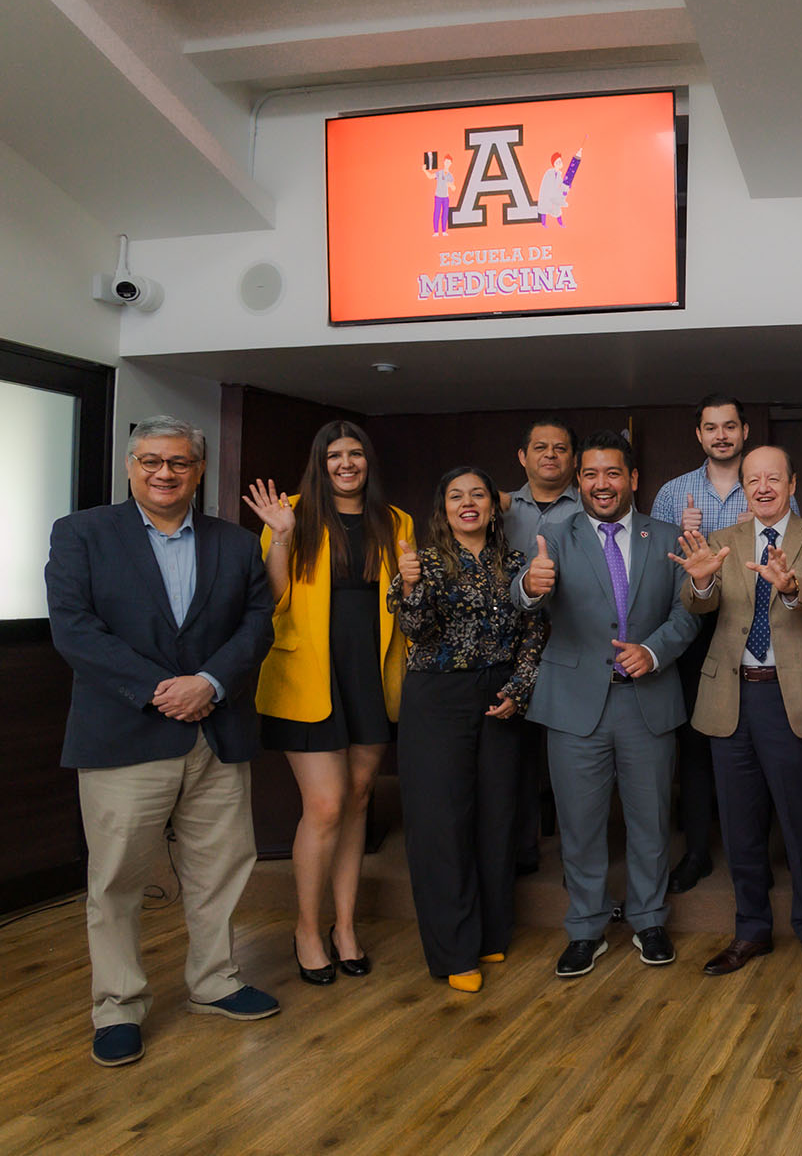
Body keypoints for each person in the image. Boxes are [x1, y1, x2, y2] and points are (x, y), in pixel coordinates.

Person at [47, 416, 277, 1067]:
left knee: (221, 867)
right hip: (123, 736)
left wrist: (208, 682)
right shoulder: (82, 534)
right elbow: (75, 630)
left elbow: (258, 624)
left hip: (216, 731)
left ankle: (214, 982)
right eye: (151, 461)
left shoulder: (235, 544)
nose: (164, 473)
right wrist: (159, 689)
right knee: (117, 880)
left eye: (178, 462)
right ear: (130, 466)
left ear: (198, 472)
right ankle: (117, 1004)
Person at [514, 429, 700, 976]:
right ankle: (586, 928)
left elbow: (687, 612)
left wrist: (652, 650)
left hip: (647, 701)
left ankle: (649, 920)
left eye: (613, 472)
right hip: (575, 707)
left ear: (633, 479)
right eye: (591, 474)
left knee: (650, 820)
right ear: (579, 480)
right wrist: (529, 584)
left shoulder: (665, 536)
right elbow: (521, 602)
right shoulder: (554, 535)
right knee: (581, 824)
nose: (602, 484)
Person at [244, 420, 413, 986]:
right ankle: (306, 930)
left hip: (370, 674)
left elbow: (405, 603)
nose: (346, 464)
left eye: (356, 454)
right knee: (325, 805)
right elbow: (270, 599)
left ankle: (344, 927)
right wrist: (283, 536)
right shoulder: (289, 513)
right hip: (305, 677)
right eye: (335, 455)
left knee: (360, 798)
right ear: (321, 462)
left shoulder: (396, 522)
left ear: (368, 461)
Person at [674, 446, 802, 980]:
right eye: (754, 479)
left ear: (793, 483)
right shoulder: (722, 543)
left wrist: (792, 587)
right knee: (740, 826)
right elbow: (697, 603)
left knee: (800, 824)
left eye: (774, 478)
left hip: (789, 698)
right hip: (731, 696)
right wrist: (701, 580)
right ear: (744, 487)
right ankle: (750, 931)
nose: (764, 486)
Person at [391, 466, 546, 993]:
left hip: (501, 694)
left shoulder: (518, 564)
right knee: (442, 824)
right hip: (438, 697)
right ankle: (455, 950)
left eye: (478, 494)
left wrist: (519, 689)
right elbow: (413, 629)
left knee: (497, 816)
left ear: (493, 506)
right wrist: (409, 585)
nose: (468, 503)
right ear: (444, 508)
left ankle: (490, 932)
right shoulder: (424, 563)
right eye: (456, 495)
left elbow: (534, 632)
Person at [651, 394, 783, 895]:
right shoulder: (673, 493)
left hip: (754, 630)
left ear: (745, 431)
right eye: (711, 428)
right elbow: (657, 568)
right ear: (699, 436)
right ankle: (699, 854)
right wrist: (685, 546)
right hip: (693, 627)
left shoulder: (769, 486)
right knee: (698, 743)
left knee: (759, 740)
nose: (721, 435)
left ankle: (762, 852)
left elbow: (786, 555)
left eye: (730, 426)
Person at [501, 418, 581, 877]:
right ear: (522, 457)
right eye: (540, 447)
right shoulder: (501, 509)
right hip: (514, 641)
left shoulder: (590, 507)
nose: (550, 455)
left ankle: (577, 856)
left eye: (560, 448)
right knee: (517, 751)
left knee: (571, 751)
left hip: (572, 637)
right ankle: (522, 848)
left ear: (573, 459)